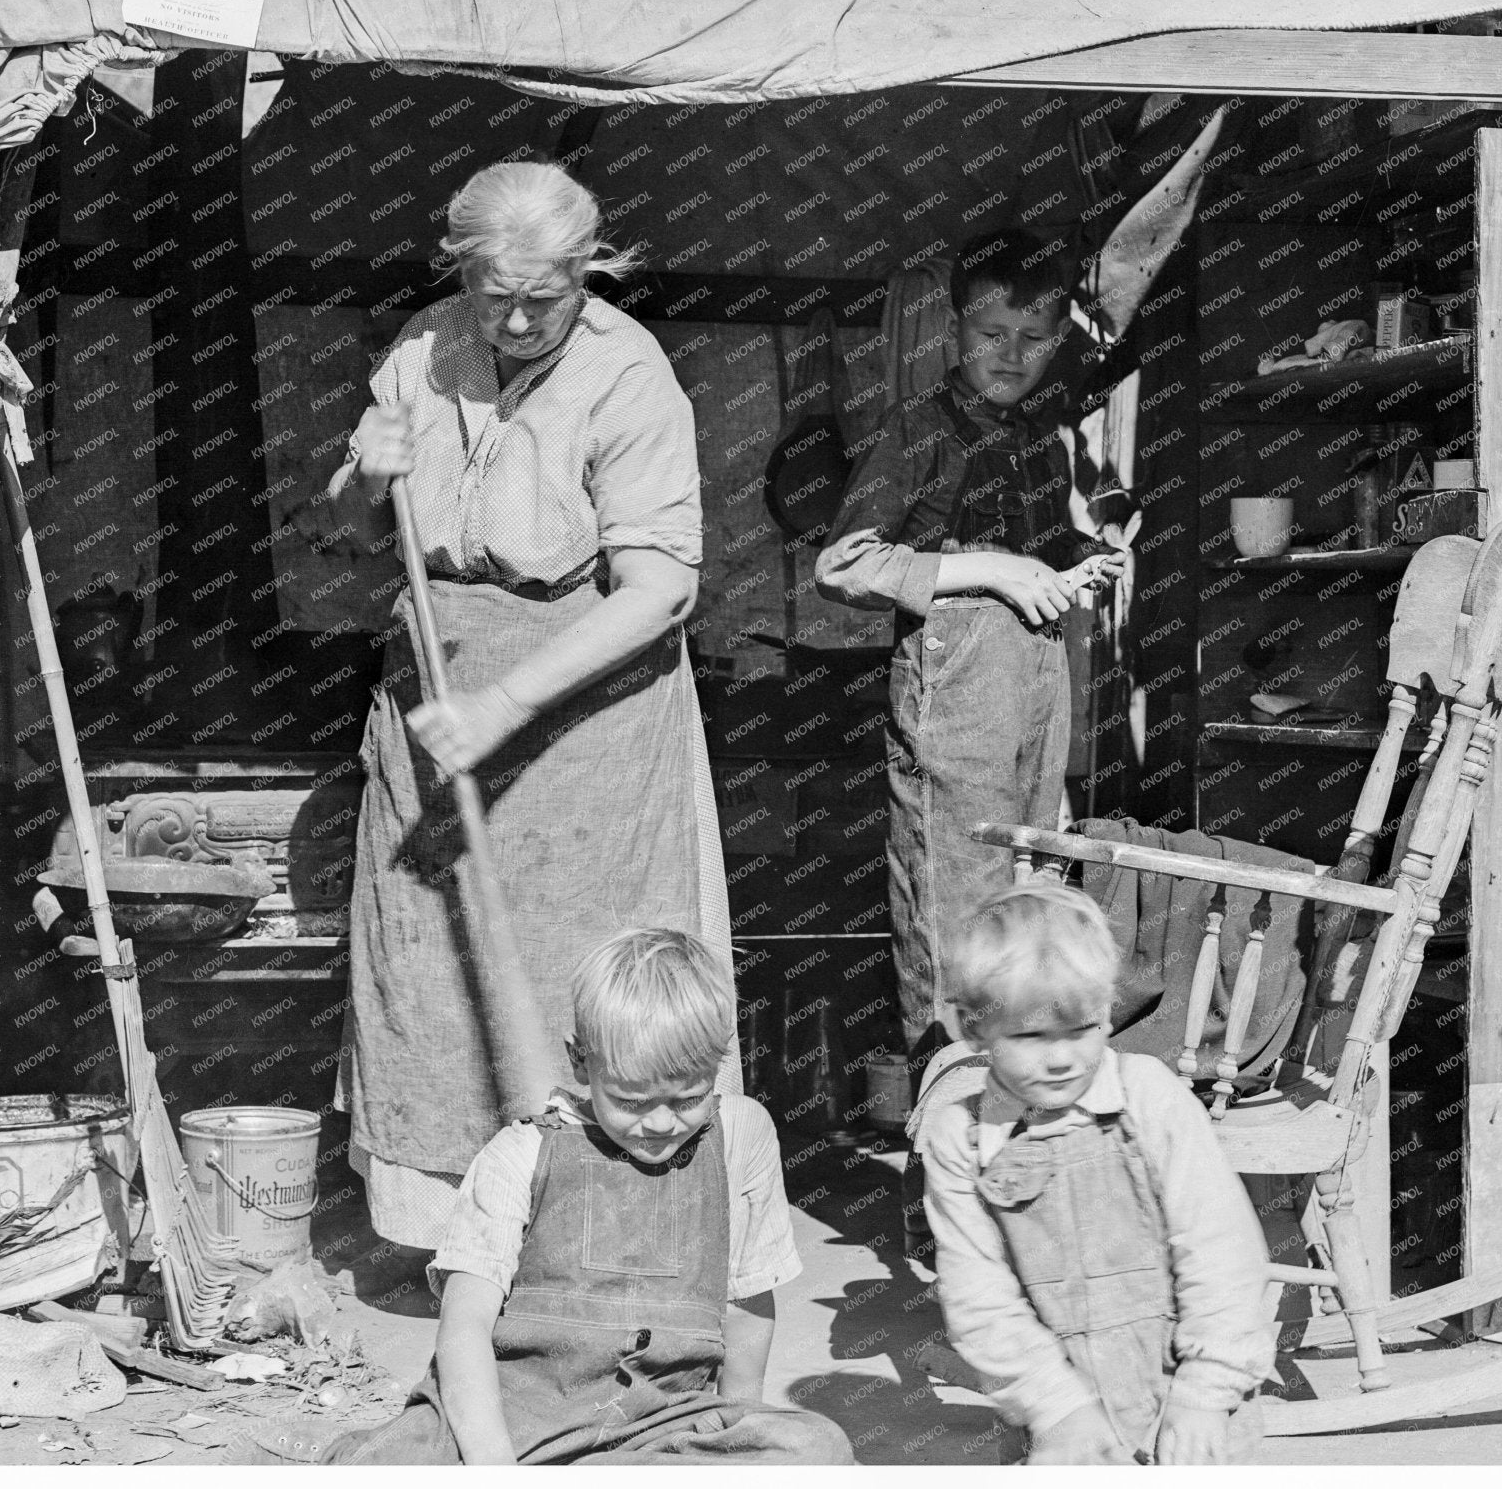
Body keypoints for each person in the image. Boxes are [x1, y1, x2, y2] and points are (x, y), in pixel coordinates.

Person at [327, 160, 738, 1263]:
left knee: (581, 972)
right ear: (458, 270)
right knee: (430, 965)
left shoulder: (630, 375)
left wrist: (507, 701)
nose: (511, 320)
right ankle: (448, 1245)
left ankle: (591, 1230)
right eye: (489, 292)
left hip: (582, 722)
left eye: (541, 298)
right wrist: (365, 474)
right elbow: (356, 522)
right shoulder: (423, 345)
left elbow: (660, 590)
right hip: (437, 694)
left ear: (587, 273)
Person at [321, 929, 855, 1465]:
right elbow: (465, 1327)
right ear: (580, 1062)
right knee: (390, 1464)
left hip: (660, 1421)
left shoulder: (741, 1135)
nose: (662, 1123)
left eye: (689, 1097)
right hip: (511, 1416)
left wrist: (737, 1433)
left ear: (718, 1062)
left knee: (814, 1447)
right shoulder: (520, 1154)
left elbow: (747, 1303)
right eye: (631, 1100)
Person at [814, 227, 1129, 1061]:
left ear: (1058, 339)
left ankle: (1014, 1088)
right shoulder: (917, 429)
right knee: (951, 901)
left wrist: (1082, 556)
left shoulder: (1041, 439)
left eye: (1034, 338)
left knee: (1027, 891)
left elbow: (1038, 551)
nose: (1011, 354)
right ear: (956, 328)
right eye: (992, 334)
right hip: (952, 698)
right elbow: (845, 564)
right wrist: (989, 567)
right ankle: (941, 1103)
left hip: (1034, 686)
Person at [918, 885, 1273, 1465]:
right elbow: (977, 1293)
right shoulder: (961, 1136)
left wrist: (1208, 1388)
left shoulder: (1149, 1097)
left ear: (1107, 1010)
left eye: (1081, 1029)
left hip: (1187, 1405)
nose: (1060, 1059)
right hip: (1062, 1417)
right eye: (1030, 1036)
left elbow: (1221, 1250)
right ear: (972, 1028)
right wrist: (1056, 1406)